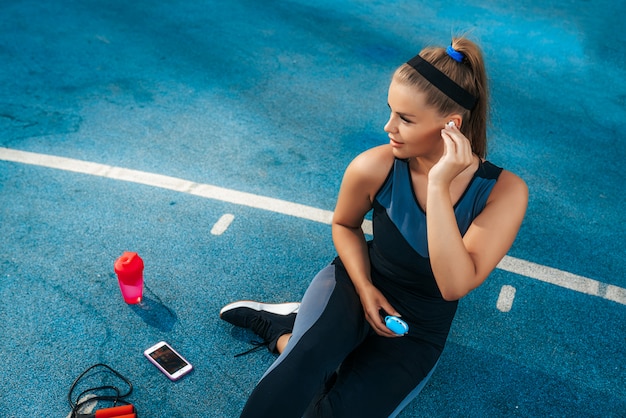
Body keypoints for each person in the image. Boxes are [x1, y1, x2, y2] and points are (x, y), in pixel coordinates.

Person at [219, 37, 528, 417]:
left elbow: (453, 285)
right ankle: (292, 333)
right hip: (355, 283)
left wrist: (438, 184)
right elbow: (345, 225)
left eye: (406, 119)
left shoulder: (505, 192)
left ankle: (292, 335)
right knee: (300, 371)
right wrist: (365, 289)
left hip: (418, 328)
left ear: (452, 125)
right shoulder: (373, 166)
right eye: (391, 111)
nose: (388, 127)